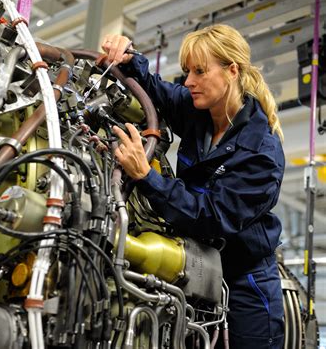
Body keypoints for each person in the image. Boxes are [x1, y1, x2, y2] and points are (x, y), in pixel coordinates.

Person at [102, 24, 285, 348]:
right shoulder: (198, 108)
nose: (188, 81)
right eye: (187, 71)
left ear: (232, 70)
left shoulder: (262, 152)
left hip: (243, 278)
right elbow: (156, 90)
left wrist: (148, 178)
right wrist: (128, 57)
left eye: (200, 71)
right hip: (194, 261)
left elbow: (213, 217)